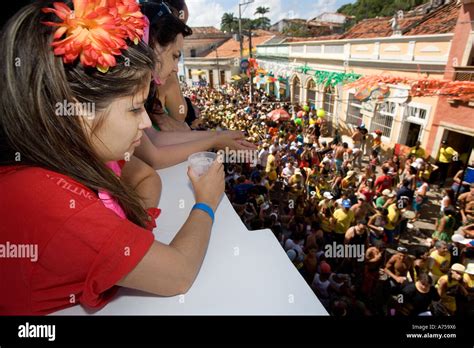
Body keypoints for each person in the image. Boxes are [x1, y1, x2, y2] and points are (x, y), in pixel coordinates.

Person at [0, 0, 225, 315]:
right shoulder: (62, 212)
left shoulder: (70, 158)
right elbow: (180, 273)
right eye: (134, 108)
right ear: (77, 113)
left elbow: (147, 176)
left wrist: (125, 240)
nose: (146, 123)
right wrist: (206, 202)